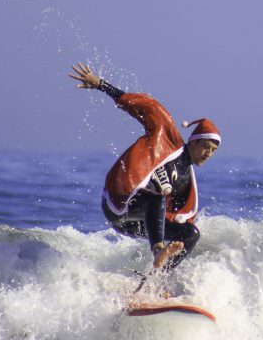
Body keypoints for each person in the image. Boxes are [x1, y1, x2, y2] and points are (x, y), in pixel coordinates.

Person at [68, 62, 220, 273]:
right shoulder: (167, 139)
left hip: (135, 222)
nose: (208, 153)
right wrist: (101, 84)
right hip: (117, 203)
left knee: (191, 234)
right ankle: (158, 250)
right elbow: (143, 108)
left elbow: (178, 215)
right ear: (193, 141)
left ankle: (156, 280)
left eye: (213, 151)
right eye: (206, 147)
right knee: (156, 197)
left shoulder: (186, 182)